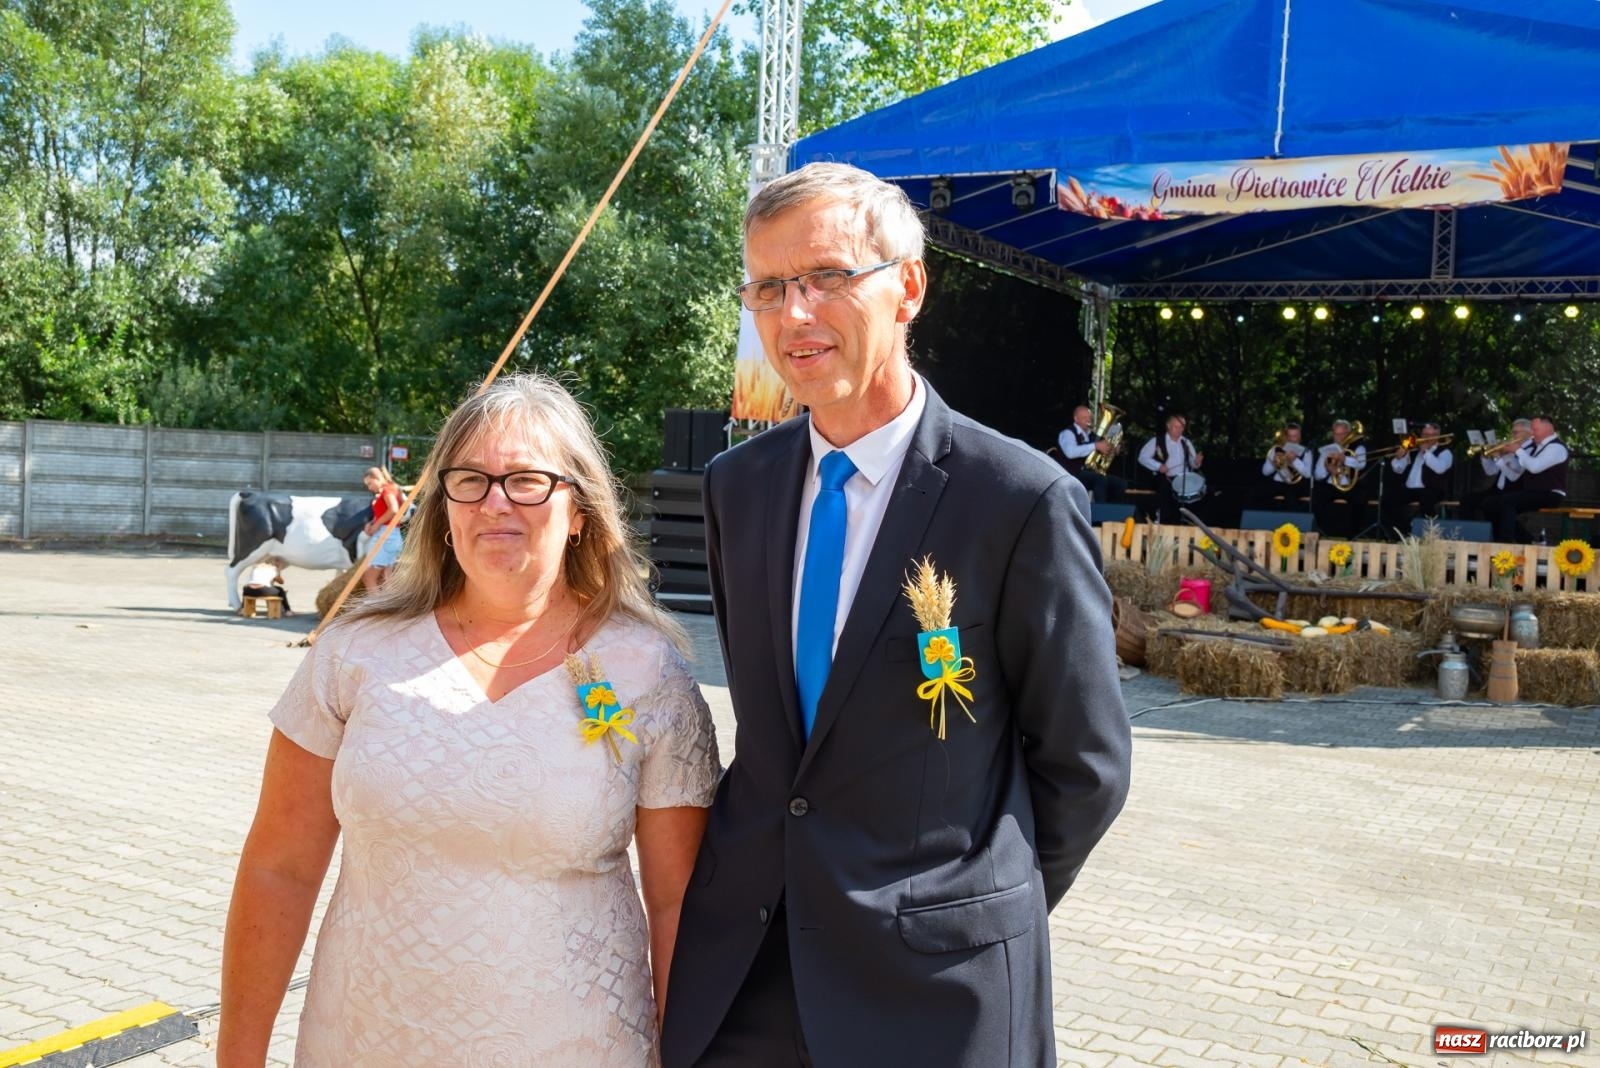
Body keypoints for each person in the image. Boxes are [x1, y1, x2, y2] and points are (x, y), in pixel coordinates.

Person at [661, 162, 1131, 1068]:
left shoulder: (1019, 500)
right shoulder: (737, 488)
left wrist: (966, 907)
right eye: (768, 288)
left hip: (933, 996)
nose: (793, 315)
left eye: (828, 277)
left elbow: (1085, 766)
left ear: (908, 287)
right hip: (746, 972)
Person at [219, 374, 721, 1067]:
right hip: (363, 1042)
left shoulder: (647, 673)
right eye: (471, 480)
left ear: (581, 511)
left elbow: (678, 905)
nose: (495, 503)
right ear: (443, 507)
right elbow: (279, 868)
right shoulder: (357, 654)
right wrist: (237, 1057)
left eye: (526, 480)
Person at [1483, 415, 1569, 542]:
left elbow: (1535, 467)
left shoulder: (1556, 447)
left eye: (1535, 430)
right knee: (1490, 504)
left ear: (1548, 428)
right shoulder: (1540, 447)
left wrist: (1517, 450)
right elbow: (1517, 472)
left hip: (1551, 494)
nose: (1532, 433)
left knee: (1508, 501)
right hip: (1535, 492)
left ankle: (1505, 543)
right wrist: (1504, 456)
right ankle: (1524, 539)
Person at [1379, 422, 1453, 536]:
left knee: (1426, 498)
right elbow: (1398, 469)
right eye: (1424, 434)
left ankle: (1430, 535)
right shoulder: (1414, 450)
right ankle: (1403, 532)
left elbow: (1440, 468)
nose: (1426, 438)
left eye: (1430, 435)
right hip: (1411, 489)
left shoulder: (1445, 452)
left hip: (1433, 489)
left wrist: (1426, 452)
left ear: (1438, 435)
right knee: (1388, 499)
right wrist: (1399, 457)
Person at [1136, 413, 1203, 523]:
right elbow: (1142, 457)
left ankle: (1189, 522)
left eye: (1182, 427)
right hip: (1166, 478)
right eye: (1176, 427)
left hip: (1184, 480)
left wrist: (1196, 462)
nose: (1179, 430)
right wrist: (1158, 466)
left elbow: (1192, 463)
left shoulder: (1186, 442)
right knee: (1165, 492)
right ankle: (1162, 520)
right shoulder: (1157, 441)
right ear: (1168, 426)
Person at [1461, 418, 1531, 523]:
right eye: (1512, 432)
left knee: (1490, 505)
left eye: (1515, 432)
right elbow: (1491, 471)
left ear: (1528, 433)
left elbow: (1517, 469)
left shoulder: (1529, 449)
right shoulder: (1511, 447)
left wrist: (1500, 457)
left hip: (1515, 490)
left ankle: (1523, 537)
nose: (1512, 435)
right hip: (1497, 490)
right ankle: (1465, 533)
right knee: (1467, 499)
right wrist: (1485, 455)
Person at [1057, 404, 1127, 504]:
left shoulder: (1092, 435)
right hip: (1072, 474)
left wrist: (1112, 448)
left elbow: (1101, 451)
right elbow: (1070, 453)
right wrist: (1095, 446)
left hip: (1089, 473)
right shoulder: (1068, 433)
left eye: (1089, 417)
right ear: (1076, 419)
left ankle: (1112, 514)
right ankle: (1101, 515)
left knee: (1120, 484)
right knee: (1100, 479)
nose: (1088, 420)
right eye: (1084, 418)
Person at [1313, 419, 1368, 537]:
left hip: (1350, 486)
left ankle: (1353, 535)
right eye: (1336, 434)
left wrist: (1344, 459)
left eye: (1342, 434)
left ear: (1348, 434)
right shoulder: (1327, 450)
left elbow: (1361, 463)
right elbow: (1317, 475)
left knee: (1359, 499)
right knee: (1318, 496)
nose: (1338, 437)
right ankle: (1320, 532)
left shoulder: (1358, 447)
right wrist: (1328, 469)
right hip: (1331, 485)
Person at [360, 466, 405, 593]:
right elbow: (387, 512)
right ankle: (389, 610)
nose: (369, 487)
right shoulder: (393, 488)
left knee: (368, 578)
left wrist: (376, 525)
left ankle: (376, 610)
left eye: (370, 483)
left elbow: (394, 509)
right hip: (393, 535)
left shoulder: (387, 490)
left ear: (377, 478)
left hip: (386, 536)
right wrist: (372, 523)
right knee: (387, 578)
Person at [1252, 422, 1312, 510]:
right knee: (1257, 493)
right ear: (1286, 436)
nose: (1292, 439)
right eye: (1290, 436)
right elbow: (1265, 472)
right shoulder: (1276, 450)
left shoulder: (1306, 452)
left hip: (1296, 487)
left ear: (1299, 437)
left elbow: (1308, 474)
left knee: (1291, 498)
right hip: (1277, 486)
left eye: (1295, 436)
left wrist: (1295, 460)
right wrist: (1274, 463)